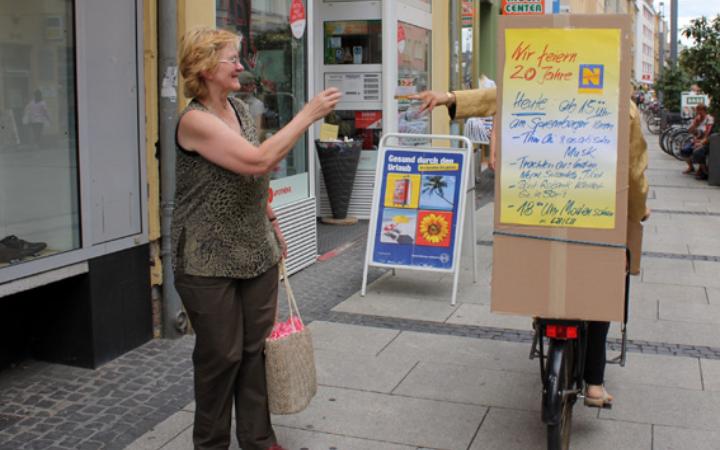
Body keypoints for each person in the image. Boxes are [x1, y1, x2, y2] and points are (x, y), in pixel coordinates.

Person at [411, 88, 650, 407]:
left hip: (541, 206)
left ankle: (545, 318)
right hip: (598, 212)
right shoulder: (623, 106)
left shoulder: (544, 86)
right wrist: (638, 210)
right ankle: (594, 384)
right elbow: (634, 171)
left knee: (544, 264)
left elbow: (503, 93)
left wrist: (451, 98)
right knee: (600, 291)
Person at [173, 27, 341, 450]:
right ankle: (211, 443)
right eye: (233, 59)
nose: (242, 67)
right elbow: (258, 160)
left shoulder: (239, 109)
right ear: (207, 67)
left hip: (255, 249)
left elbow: (253, 176)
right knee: (220, 357)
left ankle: (259, 438)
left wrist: (271, 216)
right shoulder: (195, 121)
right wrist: (307, 115)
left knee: (254, 352)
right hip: (207, 258)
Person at [680, 103, 714, 180]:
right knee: (684, 150)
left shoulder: (709, 119)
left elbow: (708, 133)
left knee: (697, 152)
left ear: (704, 110)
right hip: (696, 140)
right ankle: (691, 167)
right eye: (697, 111)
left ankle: (704, 171)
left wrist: (701, 142)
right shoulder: (697, 119)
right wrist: (695, 124)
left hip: (706, 142)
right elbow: (689, 131)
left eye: (699, 111)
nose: (698, 112)